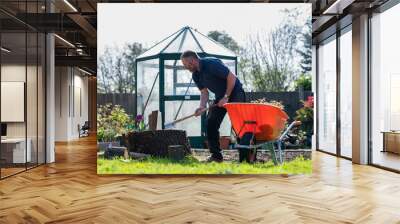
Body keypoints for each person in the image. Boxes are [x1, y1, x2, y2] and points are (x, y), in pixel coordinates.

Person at [181, 50, 245, 162]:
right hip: (220, 98)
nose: (185, 67)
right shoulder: (196, 74)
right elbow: (204, 92)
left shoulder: (211, 64)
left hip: (235, 93)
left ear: (193, 60)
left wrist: (226, 96)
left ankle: (245, 156)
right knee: (210, 123)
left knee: (238, 125)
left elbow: (232, 77)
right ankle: (216, 156)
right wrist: (201, 107)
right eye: (184, 65)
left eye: (186, 64)